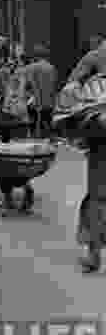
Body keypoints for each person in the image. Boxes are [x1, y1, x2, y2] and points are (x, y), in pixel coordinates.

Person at [64, 39, 106, 273]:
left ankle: (94, 253)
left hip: (102, 137)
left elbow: (70, 89)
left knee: (99, 195)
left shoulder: (95, 56)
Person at [25, 44, 58, 137]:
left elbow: (27, 85)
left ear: (35, 55)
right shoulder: (51, 68)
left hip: (33, 102)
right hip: (48, 102)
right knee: (47, 124)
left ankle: (34, 138)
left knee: (33, 124)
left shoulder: (30, 68)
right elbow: (53, 86)